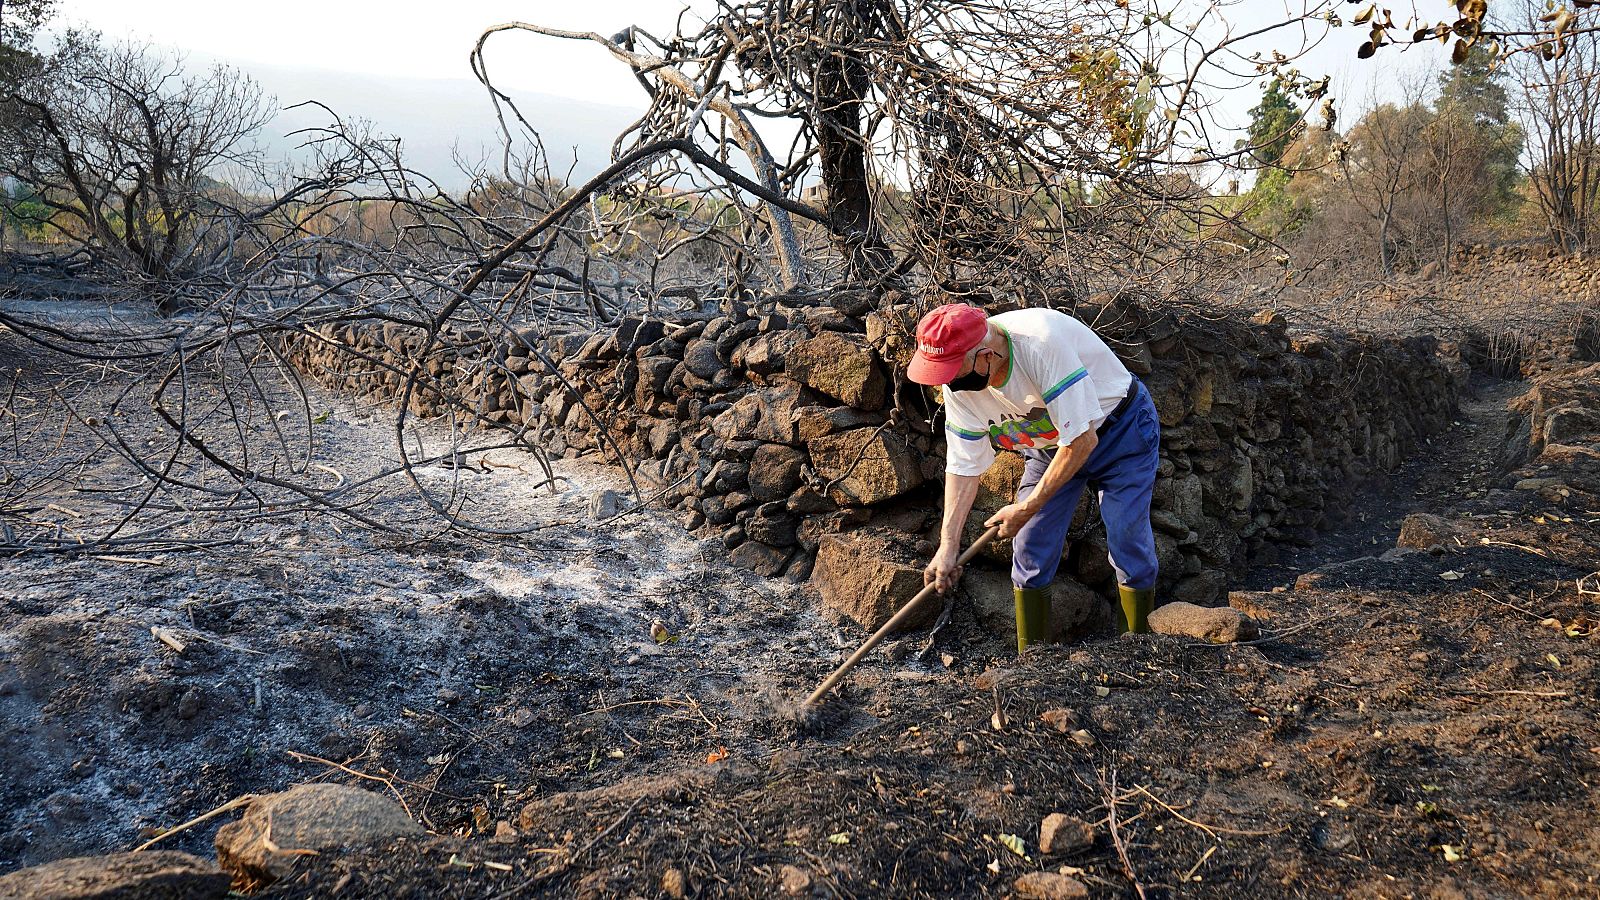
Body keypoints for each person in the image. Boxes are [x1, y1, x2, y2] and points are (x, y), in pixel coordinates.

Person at [907, 303, 1161, 650]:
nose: (947, 381)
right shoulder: (958, 387)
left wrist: (1026, 507)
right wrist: (948, 547)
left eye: (952, 369)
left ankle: (1138, 651)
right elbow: (963, 466)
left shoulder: (1041, 344)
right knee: (1029, 543)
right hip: (1049, 444)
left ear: (986, 355)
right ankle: (1033, 664)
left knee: (1126, 535)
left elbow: (1083, 440)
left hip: (1120, 430)